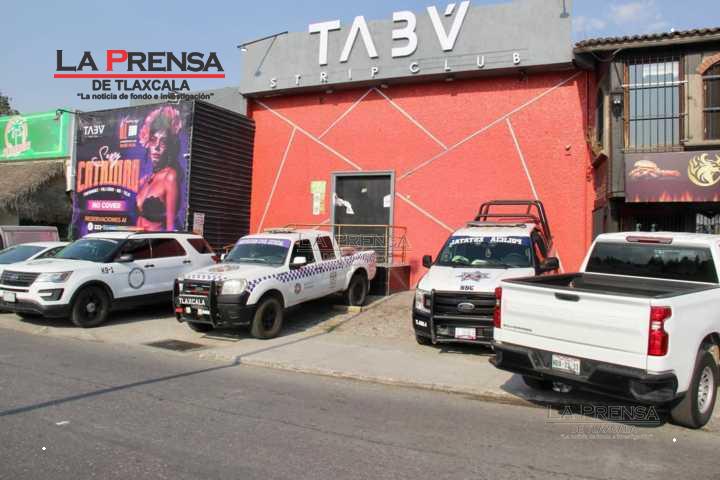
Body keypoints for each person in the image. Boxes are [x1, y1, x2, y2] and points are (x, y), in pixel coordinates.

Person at [135, 106, 183, 231]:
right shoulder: (147, 179)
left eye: (163, 142)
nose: (156, 147)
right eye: (153, 140)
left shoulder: (170, 177)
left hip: (155, 240)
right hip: (136, 239)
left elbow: (171, 227)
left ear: (169, 146)